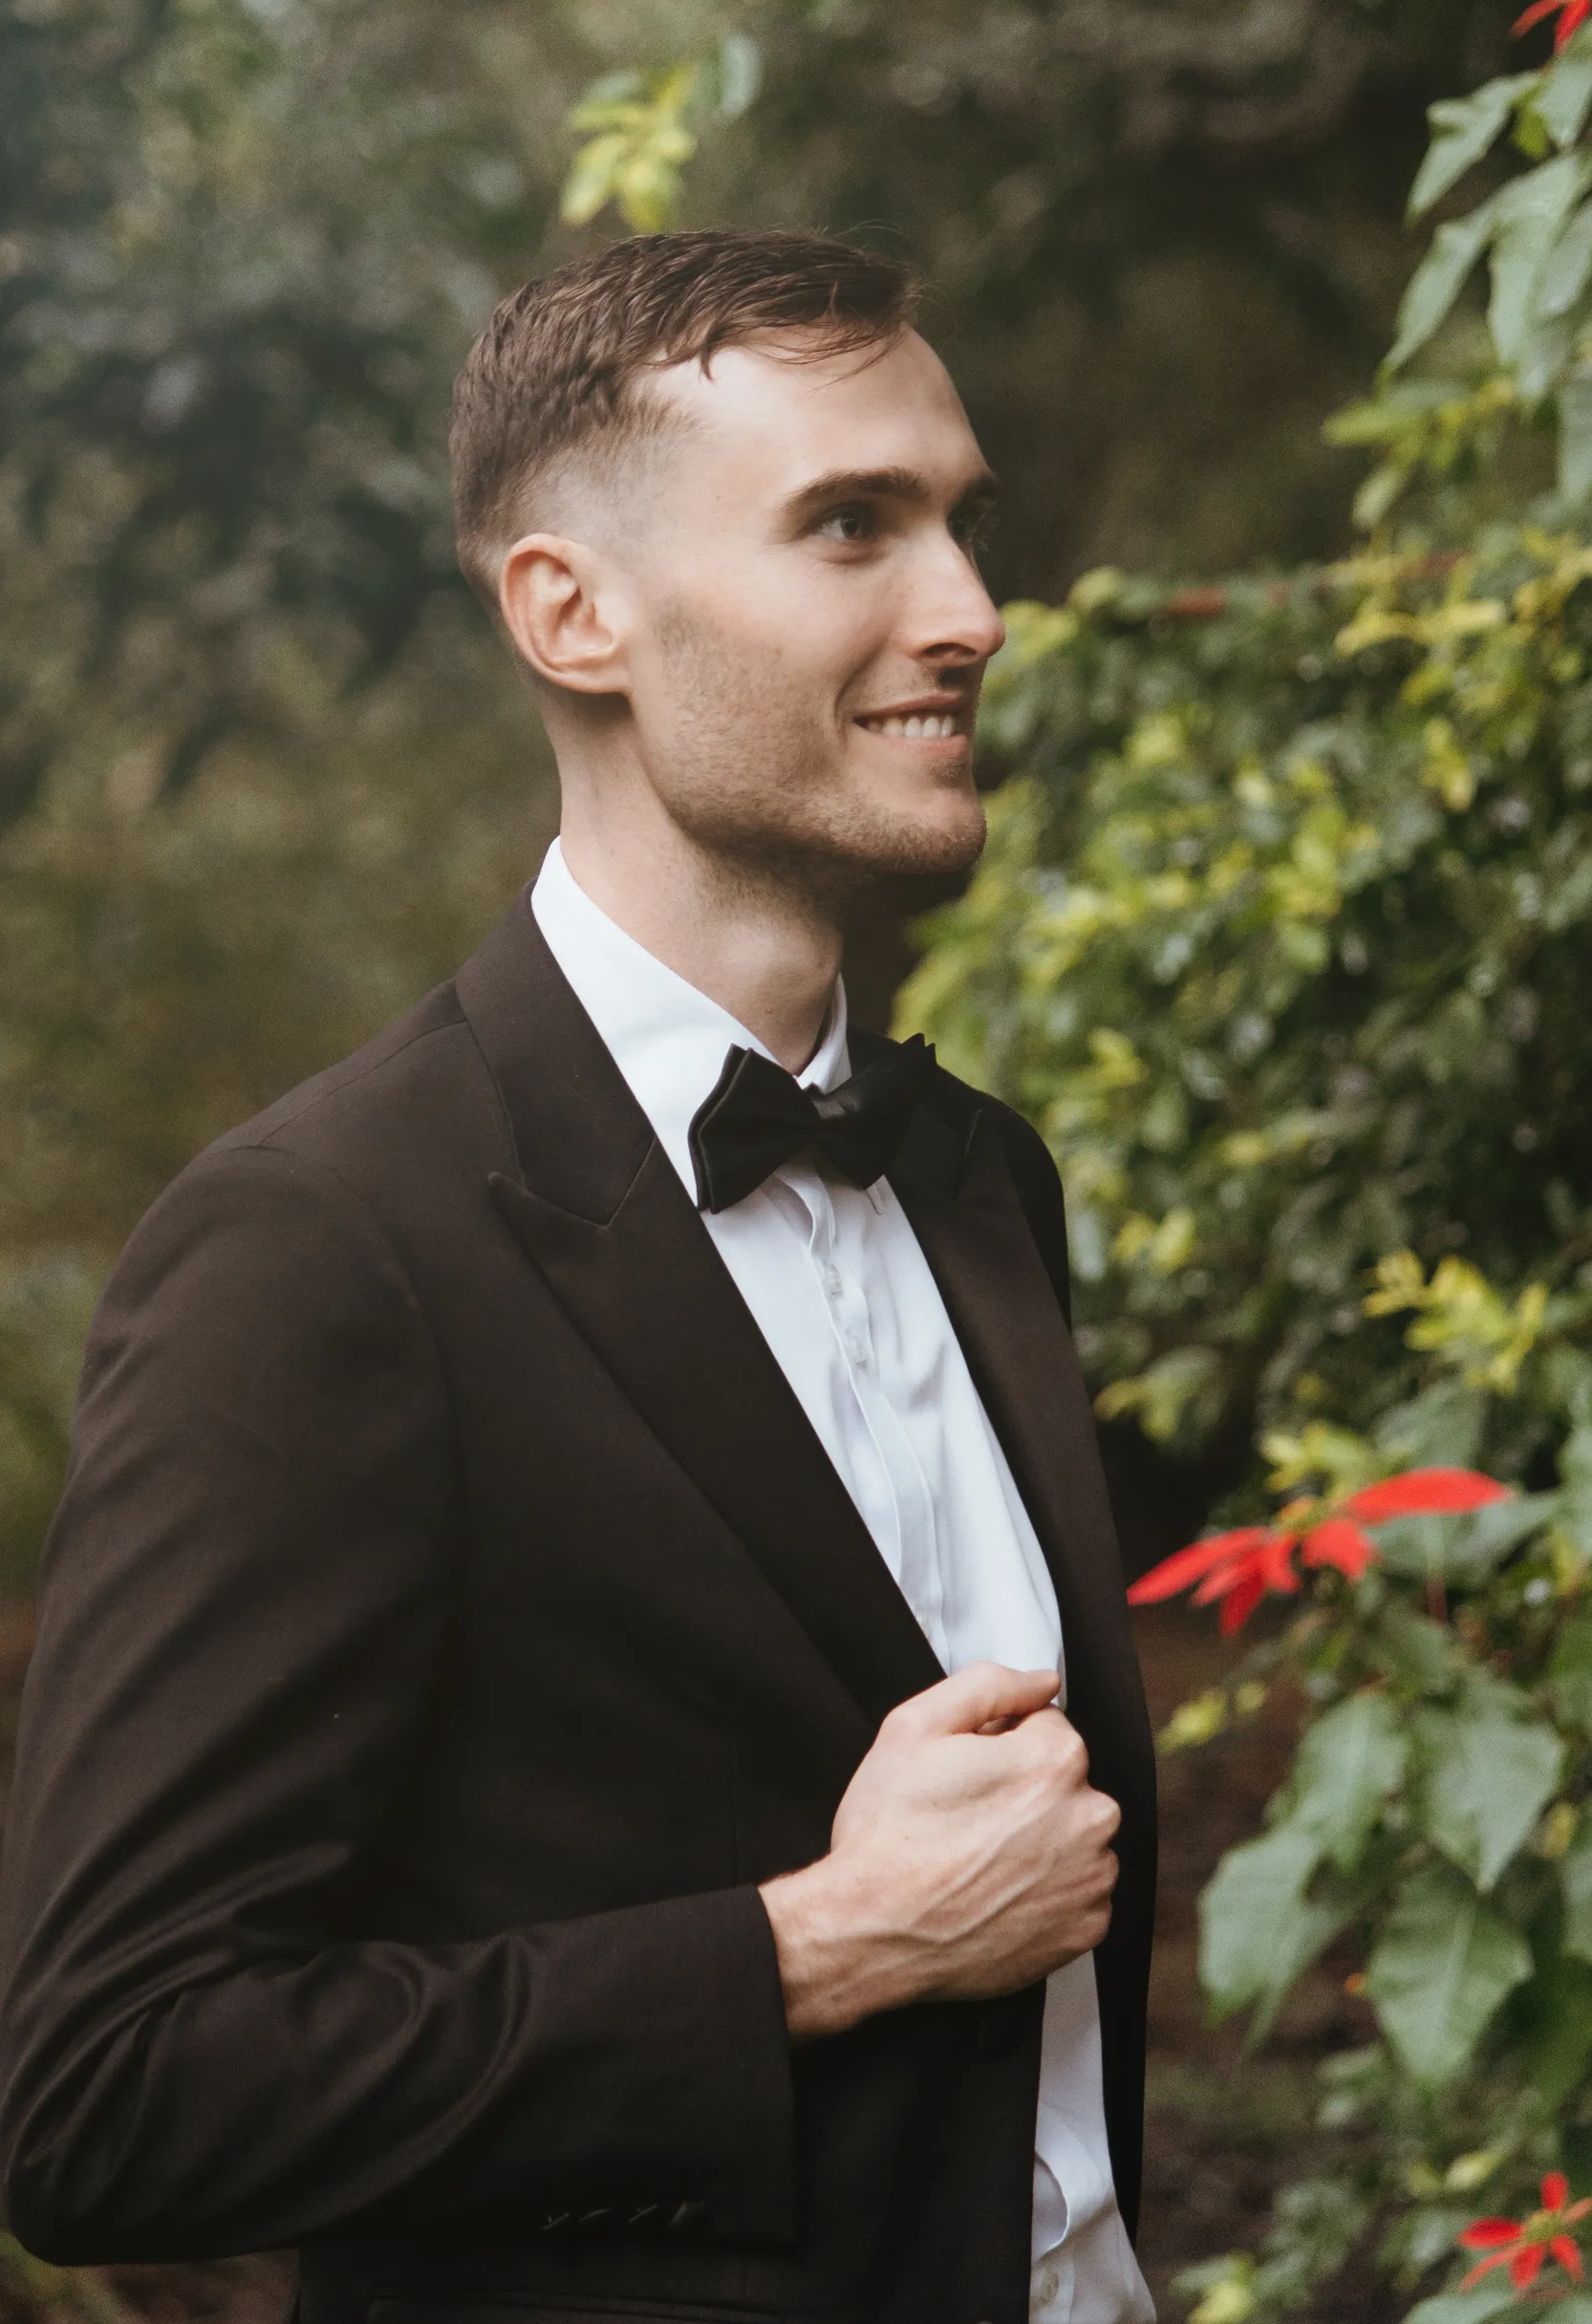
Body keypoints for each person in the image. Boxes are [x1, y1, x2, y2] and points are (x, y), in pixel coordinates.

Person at [0, 229, 1156, 2324]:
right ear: (570, 610)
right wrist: (816, 1944)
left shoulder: (984, 1182)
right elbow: (110, 2092)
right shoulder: (320, 1248)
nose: (973, 615)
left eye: (960, 525)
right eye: (846, 526)